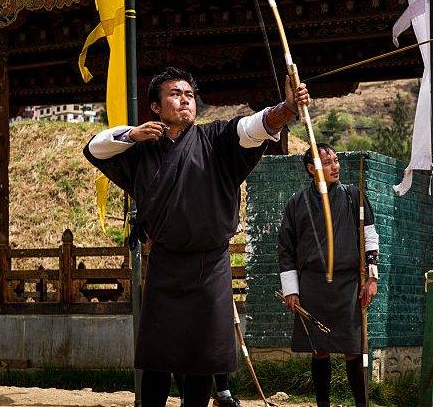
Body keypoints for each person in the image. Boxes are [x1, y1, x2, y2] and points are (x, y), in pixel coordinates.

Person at [83, 67, 308, 407]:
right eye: (175, 94)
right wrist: (133, 134)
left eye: (189, 95)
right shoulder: (141, 150)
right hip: (165, 263)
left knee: (203, 360)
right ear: (156, 107)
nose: (185, 100)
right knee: (158, 357)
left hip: (211, 265)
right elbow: (95, 148)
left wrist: (286, 109)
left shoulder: (215, 138)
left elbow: (252, 127)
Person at [277, 143, 379, 407]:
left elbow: (370, 237)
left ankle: (361, 404)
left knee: (353, 349)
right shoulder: (296, 203)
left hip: (348, 285)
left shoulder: (353, 195)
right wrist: (291, 289)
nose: (336, 166)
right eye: (328, 162)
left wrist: (371, 277)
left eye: (336, 160)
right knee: (319, 350)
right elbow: (286, 248)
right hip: (312, 284)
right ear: (312, 169)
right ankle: (322, 404)